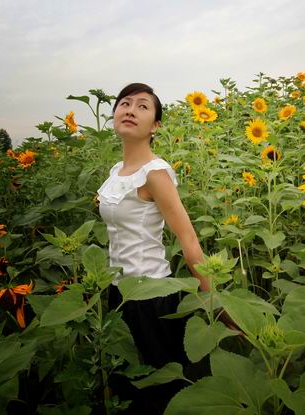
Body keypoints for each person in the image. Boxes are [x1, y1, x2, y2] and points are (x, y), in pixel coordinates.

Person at [96, 83, 213, 411]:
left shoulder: (155, 174)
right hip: (118, 294)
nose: (130, 109)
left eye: (143, 106)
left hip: (151, 296)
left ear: (156, 125)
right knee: (126, 387)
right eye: (125, 103)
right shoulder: (115, 173)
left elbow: (187, 238)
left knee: (157, 393)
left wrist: (214, 300)